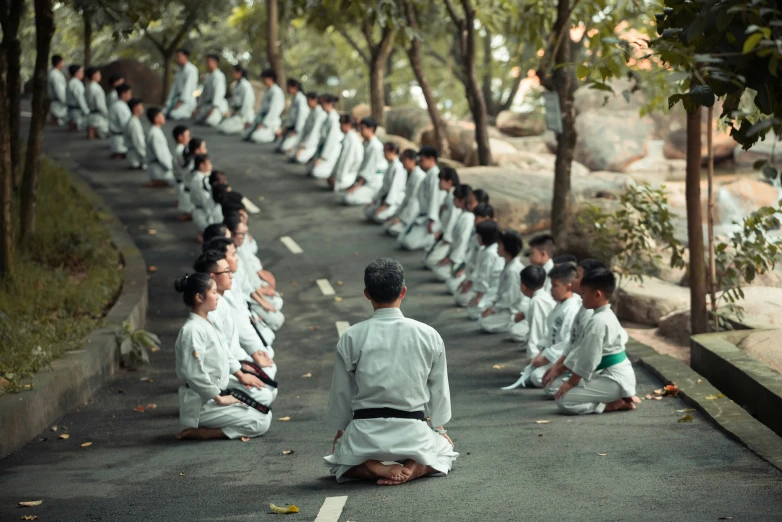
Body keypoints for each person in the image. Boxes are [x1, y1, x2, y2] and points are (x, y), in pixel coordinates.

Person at [324, 258, 458, 485]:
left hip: (365, 433)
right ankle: (415, 467)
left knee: (340, 461)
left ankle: (373, 467)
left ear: (367, 294)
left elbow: (341, 392)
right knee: (444, 450)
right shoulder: (428, 335)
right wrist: (438, 427)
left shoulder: (351, 336)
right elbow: (439, 389)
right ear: (403, 291)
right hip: (413, 431)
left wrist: (342, 430)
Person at [173, 273, 272, 440]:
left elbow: (224, 354)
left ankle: (217, 423)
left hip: (215, 395)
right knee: (261, 422)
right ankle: (206, 432)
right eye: (213, 292)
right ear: (199, 297)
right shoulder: (192, 331)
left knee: (264, 412)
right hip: (202, 403)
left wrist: (241, 372)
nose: (217, 296)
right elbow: (194, 373)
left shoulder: (206, 323)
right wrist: (219, 398)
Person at [194, 251, 278, 406]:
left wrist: (245, 363)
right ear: (212, 276)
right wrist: (240, 373)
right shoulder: (209, 311)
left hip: (232, 365)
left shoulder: (221, 301)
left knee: (269, 384)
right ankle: (207, 426)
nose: (231, 275)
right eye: (227, 272)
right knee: (265, 397)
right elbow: (220, 352)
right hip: (218, 378)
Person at [552, 269, 640, 414]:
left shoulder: (598, 321)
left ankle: (611, 405)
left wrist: (570, 382)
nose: (581, 297)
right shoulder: (606, 315)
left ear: (597, 294)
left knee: (563, 400)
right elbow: (584, 353)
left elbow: (588, 359)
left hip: (614, 380)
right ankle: (615, 398)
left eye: (584, 293)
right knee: (562, 389)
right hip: (615, 376)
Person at [502, 264, 582, 390]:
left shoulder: (571, 309)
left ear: (568, 286)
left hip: (564, 357)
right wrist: (541, 353)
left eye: (555, 286)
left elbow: (566, 343)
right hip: (553, 354)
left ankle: (571, 376)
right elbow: (548, 333)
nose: (551, 290)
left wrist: (546, 357)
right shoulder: (560, 305)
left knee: (537, 378)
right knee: (530, 375)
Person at [541, 258, 606, 397]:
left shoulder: (590, 312)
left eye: (578, 276)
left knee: (556, 392)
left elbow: (583, 351)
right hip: (574, 364)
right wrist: (556, 367)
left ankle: (609, 402)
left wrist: (563, 373)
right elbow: (572, 343)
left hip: (593, 371)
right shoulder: (583, 306)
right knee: (548, 384)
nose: (573, 281)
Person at [204, 237, 278, 347]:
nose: (237, 258)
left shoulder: (228, 282)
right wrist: (255, 352)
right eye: (233, 255)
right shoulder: (217, 302)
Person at [478, 230, 525, 333]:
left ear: (507, 248)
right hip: (504, 306)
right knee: (481, 314)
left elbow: (510, 298)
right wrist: (493, 306)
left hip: (512, 309)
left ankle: (518, 323)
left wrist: (493, 309)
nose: (497, 248)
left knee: (484, 323)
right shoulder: (508, 265)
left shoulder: (513, 270)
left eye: (499, 245)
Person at [397, 146, 442, 250]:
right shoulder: (428, 175)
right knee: (401, 239)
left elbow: (434, 199)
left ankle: (434, 237)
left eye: (422, 160)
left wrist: (432, 220)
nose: (420, 163)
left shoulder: (435, 176)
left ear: (431, 159)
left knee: (409, 243)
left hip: (429, 217)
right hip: (422, 214)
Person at [430, 186, 478, 281]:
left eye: (456, 199)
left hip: (461, 256)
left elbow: (463, 240)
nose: (454, 201)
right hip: (455, 251)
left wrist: (452, 259)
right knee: (435, 267)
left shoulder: (468, 217)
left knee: (443, 275)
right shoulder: (463, 214)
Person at [445, 203, 493, 295]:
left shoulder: (487, 238)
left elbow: (480, 264)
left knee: (458, 293)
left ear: (486, 218)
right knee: (451, 284)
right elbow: (471, 256)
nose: (475, 221)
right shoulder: (477, 234)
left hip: (481, 277)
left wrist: (470, 280)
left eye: (477, 218)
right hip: (471, 271)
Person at [341, 118, 388, 206]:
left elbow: (369, 169)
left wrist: (357, 186)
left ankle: (375, 199)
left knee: (348, 198)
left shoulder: (375, 146)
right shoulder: (367, 144)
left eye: (362, 128)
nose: (360, 131)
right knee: (345, 194)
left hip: (374, 181)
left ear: (371, 129)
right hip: (367, 180)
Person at [454, 220, 501, 308]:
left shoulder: (490, 253)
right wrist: (467, 281)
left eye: (479, 236)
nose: (477, 238)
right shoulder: (485, 250)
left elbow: (484, 277)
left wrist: (479, 297)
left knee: (472, 310)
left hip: (491, 288)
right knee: (459, 295)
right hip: (480, 284)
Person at [421, 168, 461, 268]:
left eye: (441, 181)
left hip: (449, 236)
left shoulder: (454, 197)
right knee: (427, 256)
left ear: (449, 182)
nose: (439, 183)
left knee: (430, 261)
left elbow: (453, 219)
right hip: (443, 231)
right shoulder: (448, 195)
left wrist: (446, 237)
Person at [383, 149, 425, 237]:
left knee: (393, 229)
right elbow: (406, 198)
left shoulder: (419, 176)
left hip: (414, 211)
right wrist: (396, 215)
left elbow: (413, 201)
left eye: (404, 160)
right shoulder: (411, 174)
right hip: (406, 208)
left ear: (412, 160)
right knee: (387, 225)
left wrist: (401, 218)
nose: (402, 163)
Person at [363, 142, 406, 223]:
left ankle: (392, 214)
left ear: (393, 152)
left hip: (394, 201)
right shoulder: (390, 165)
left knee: (378, 217)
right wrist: (374, 200)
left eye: (385, 151)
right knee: (368, 212)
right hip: (384, 199)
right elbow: (384, 187)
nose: (384, 154)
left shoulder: (398, 167)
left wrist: (384, 206)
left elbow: (394, 189)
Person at [245, 68, 285, 143]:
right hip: (262, 118)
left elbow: (274, 110)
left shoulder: (276, 91)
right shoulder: (267, 90)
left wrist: (264, 124)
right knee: (246, 134)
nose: (263, 80)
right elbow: (262, 108)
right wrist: (256, 122)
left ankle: (275, 133)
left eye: (265, 78)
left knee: (256, 137)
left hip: (271, 121)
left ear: (271, 78)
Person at [308, 94, 342, 179]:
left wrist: (322, 158)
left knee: (316, 172)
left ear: (329, 104)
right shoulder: (327, 117)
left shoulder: (334, 119)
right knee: (309, 169)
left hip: (331, 151)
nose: (321, 105)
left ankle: (333, 170)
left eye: (322, 103)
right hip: (323, 148)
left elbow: (331, 141)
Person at [327, 115, 363, 192]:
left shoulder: (351, 139)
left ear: (348, 124)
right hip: (348, 171)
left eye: (341, 124)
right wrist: (332, 175)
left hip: (351, 173)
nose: (340, 127)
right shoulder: (348, 136)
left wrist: (338, 179)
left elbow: (346, 161)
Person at [218, 65, 256, 135]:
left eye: (234, 72)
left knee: (226, 129)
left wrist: (242, 115)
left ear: (240, 73)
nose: (233, 74)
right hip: (236, 113)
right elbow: (234, 101)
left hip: (244, 115)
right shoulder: (235, 85)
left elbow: (247, 103)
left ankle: (246, 126)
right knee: (221, 127)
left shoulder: (245, 86)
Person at [193, 54, 228, 127]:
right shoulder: (209, 76)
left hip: (217, 106)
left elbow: (218, 93)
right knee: (197, 119)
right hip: (207, 105)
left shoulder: (219, 76)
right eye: (207, 61)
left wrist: (213, 108)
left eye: (209, 61)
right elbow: (204, 94)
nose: (207, 63)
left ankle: (222, 116)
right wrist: (198, 107)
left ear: (215, 62)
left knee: (211, 122)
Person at [276, 78, 309, 153]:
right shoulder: (295, 98)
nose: (287, 89)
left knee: (284, 147)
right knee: (279, 146)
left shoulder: (301, 99)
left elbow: (301, 116)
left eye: (289, 87)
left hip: (297, 129)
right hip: (291, 127)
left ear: (294, 87)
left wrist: (297, 130)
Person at [290, 93, 325, 164]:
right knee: (291, 154)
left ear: (315, 100)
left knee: (300, 158)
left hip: (313, 142)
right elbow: (304, 129)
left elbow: (314, 132)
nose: (307, 102)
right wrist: (297, 144)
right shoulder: (312, 111)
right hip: (306, 140)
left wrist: (303, 147)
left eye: (309, 100)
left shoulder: (320, 113)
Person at [165, 48, 199, 120]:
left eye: (179, 57)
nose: (177, 59)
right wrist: (169, 101)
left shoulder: (191, 70)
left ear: (185, 57)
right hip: (176, 99)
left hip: (187, 101)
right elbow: (174, 87)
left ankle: (190, 113)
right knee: (164, 112)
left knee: (174, 115)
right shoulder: (179, 70)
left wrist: (180, 102)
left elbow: (188, 88)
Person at [145, 107, 175, 187]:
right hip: (160, 170)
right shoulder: (155, 134)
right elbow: (161, 155)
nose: (163, 118)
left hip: (158, 167)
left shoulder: (155, 131)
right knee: (180, 180)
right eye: (161, 116)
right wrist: (171, 167)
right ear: (156, 119)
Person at [190, 154, 215, 238]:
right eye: (209, 163)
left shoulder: (201, 177)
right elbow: (205, 200)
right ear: (201, 165)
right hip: (203, 212)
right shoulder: (199, 180)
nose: (211, 166)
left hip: (202, 211)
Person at [172, 125, 194, 220]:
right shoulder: (181, 151)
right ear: (180, 137)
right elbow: (186, 168)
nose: (189, 138)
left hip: (180, 181)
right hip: (182, 181)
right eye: (187, 135)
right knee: (188, 210)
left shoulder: (180, 149)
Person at [108, 84, 132, 159]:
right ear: (123, 94)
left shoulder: (120, 105)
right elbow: (125, 124)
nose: (130, 95)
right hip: (119, 138)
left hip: (117, 138)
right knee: (119, 156)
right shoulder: (120, 107)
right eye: (129, 93)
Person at [85, 68, 109, 139]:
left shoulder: (88, 87)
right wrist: (107, 114)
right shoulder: (97, 88)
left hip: (90, 114)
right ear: (93, 76)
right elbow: (100, 105)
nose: (100, 76)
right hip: (98, 116)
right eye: (98, 74)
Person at [66, 64, 89, 132]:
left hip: (71, 111)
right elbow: (80, 99)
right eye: (81, 71)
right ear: (76, 73)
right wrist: (86, 111)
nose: (83, 73)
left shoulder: (70, 82)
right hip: (77, 111)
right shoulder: (77, 84)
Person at [125, 98, 146, 170]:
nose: (142, 108)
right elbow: (138, 143)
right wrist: (146, 156)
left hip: (135, 154)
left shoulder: (134, 120)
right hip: (136, 157)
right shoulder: (134, 123)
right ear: (135, 108)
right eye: (141, 106)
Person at [47, 55, 68, 126]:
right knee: (55, 119)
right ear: (59, 62)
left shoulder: (52, 73)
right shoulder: (55, 74)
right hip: (57, 101)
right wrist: (64, 100)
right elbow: (59, 90)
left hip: (55, 101)